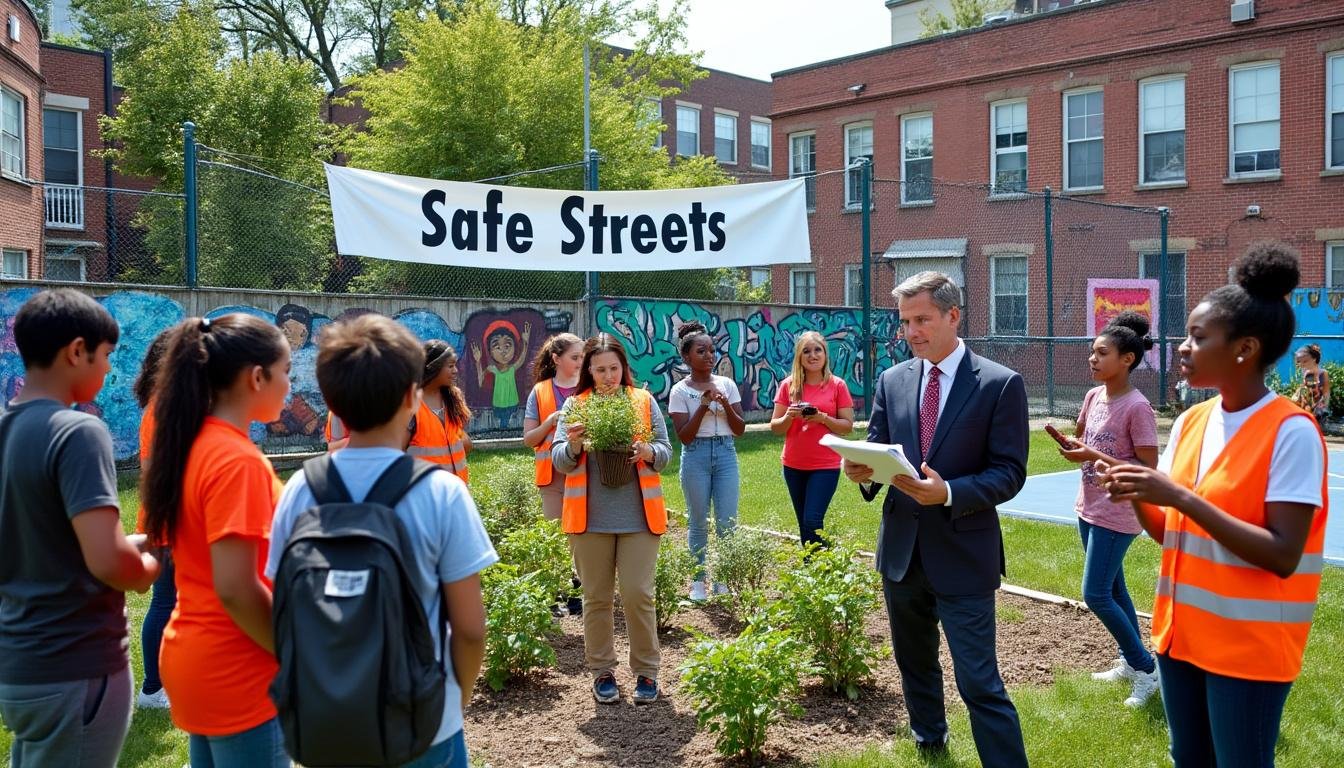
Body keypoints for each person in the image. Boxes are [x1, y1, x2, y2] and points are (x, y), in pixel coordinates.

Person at [1101, 244, 1327, 768]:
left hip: (1247, 649)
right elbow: (1170, 533)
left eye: (1199, 338)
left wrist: (1178, 495)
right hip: (1180, 638)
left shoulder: (1292, 431)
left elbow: (1282, 554)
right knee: (1189, 759)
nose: (1182, 348)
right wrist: (1139, 496)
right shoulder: (1190, 422)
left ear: (1245, 348)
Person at [267, 315, 495, 768]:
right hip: (424, 721)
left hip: (327, 719)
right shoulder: (441, 492)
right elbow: (469, 630)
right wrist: (455, 701)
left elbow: (280, 605)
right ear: (413, 397)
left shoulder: (301, 489)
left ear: (331, 401)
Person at [843, 271, 1029, 765]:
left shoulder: (999, 383)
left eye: (921, 319)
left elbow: (1009, 473)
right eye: (905, 322)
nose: (911, 332)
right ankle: (930, 741)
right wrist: (861, 472)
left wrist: (948, 492)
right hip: (902, 554)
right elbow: (879, 451)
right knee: (914, 663)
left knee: (978, 680)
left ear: (953, 315)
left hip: (964, 555)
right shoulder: (893, 380)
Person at [0, 289, 159, 768]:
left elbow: (43, 542)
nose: (110, 369)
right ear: (76, 351)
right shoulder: (78, 431)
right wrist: (149, 563)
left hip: (21, 664)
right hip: (76, 664)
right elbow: (110, 563)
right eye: (106, 355)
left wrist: (131, 542)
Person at [141, 313, 291, 768]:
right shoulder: (236, 460)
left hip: (199, 659)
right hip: (237, 669)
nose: (290, 383)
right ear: (257, 377)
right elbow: (236, 587)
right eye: (286, 371)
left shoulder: (195, 443)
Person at [551, 333, 672, 705]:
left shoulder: (643, 402)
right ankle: (602, 671)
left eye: (614, 368)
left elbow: (666, 453)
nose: (608, 376)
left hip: (639, 518)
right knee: (596, 598)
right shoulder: (575, 407)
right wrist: (572, 445)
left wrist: (648, 451)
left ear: (624, 368)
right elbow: (559, 459)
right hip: (589, 521)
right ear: (588, 370)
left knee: (638, 594)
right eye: (600, 369)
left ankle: (646, 672)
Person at [1055, 312, 1161, 708]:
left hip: (1119, 513)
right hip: (1089, 506)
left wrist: (1090, 453)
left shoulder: (1138, 408)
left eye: (1102, 353)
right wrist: (1073, 448)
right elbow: (1084, 440)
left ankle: (1146, 668)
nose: (1092, 359)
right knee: (1115, 589)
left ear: (1127, 359)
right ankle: (1129, 661)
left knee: (1096, 594)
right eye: (1092, 353)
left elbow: (1148, 470)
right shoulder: (1093, 397)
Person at [668, 321, 745, 601]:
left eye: (712, 350)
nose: (710, 356)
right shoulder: (680, 391)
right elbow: (685, 437)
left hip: (725, 453)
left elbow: (739, 429)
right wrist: (702, 406)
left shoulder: (727, 385)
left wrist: (724, 404)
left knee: (727, 522)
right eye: (702, 351)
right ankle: (698, 582)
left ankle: (722, 580)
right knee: (698, 521)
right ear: (687, 356)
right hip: (696, 456)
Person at [769, 330, 855, 547]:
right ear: (799, 356)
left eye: (818, 350)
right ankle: (813, 571)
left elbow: (847, 427)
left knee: (812, 520)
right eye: (806, 351)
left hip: (825, 465)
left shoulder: (838, 385)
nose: (812, 355)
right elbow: (775, 427)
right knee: (803, 524)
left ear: (825, 355)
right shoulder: (789, 385)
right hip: (793, 465)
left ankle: (821, 569)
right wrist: (789, 415)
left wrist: (822, 418)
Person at [134, 329, 176, 709]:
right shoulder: (165, 407)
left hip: (165, 517)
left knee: (169, 601)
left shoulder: (160, 404)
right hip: (169, 520)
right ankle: (152, 687)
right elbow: (155, 471)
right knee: (165, 601)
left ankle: (160, 684)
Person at [522, 332, 584, 521]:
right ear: (556, 359)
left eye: (583, 357)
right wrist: (549, 422)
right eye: (574, 357)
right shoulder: (539, 391)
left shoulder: (590, 389)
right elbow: (529, 439)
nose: (580, 362)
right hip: (552, 478)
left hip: (585, 471)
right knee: (556, 534)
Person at [411, 340, 472, 483]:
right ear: (433, 368)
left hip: (458, 490)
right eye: (450, 366)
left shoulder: (453, 398)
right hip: (426, 493)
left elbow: (464, 442)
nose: (456, 370)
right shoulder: (410, 405)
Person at [472, 320, 531, 430]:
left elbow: (522, 359)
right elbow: (480, 381)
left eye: (507, 346)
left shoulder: (512, 368)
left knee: (506, 423)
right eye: (497, 347)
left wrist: (525, 342)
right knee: (502, 423)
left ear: (514, 347)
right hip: (498, 404)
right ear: (490, 351)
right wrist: (478, 361)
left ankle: (504, 430)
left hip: (513, 403)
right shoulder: (492, 369)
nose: (503, 352)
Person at [1293, 343, 1330, 427]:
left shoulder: (1323, 373)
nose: (1301, 364)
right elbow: (1307, 392)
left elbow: (1326, 392)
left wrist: (1324, 405)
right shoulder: (1308, 372)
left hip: (1316, 403)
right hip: (1309, 402)